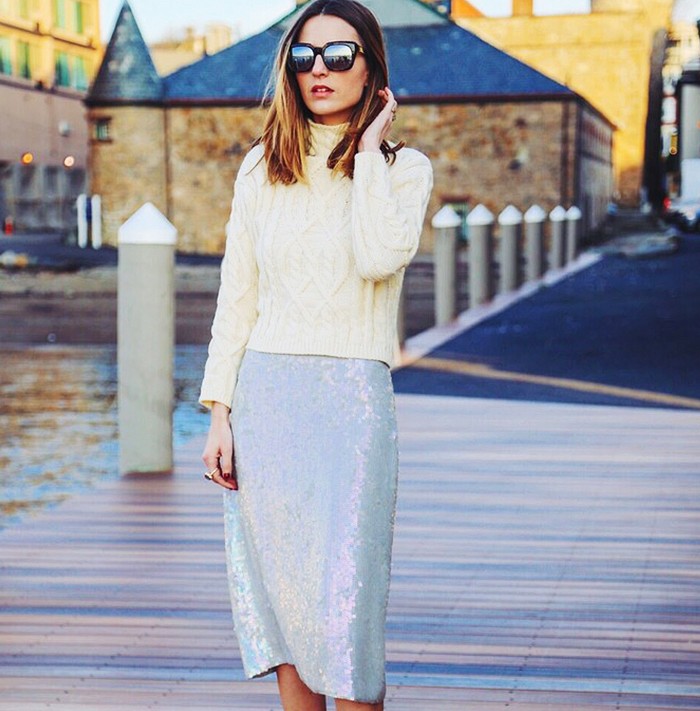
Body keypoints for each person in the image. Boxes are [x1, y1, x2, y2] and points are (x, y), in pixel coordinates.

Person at [199, 1, 433, 709]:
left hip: (352, 405)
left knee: (347, 617)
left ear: (371, 68)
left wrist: (365, 154)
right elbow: (237, 297)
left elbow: (379, 256)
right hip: (266, 401)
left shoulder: (403, 169)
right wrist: (219, 412)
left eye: (339, 54)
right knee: (286, 609)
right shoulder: (259, 168)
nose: (320, 70)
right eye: (304, 57)